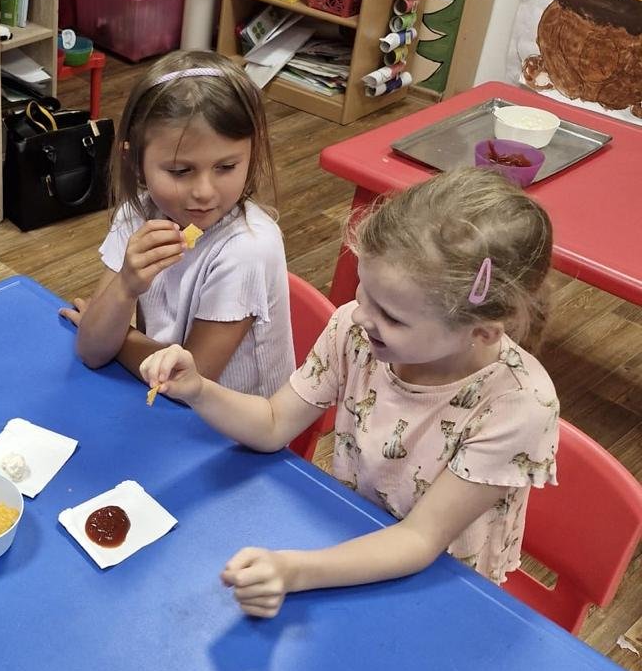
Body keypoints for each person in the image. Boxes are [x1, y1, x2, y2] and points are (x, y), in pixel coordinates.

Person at [139, 168, 559, 615]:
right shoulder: (356, 332)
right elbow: (274, 424)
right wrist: (199, 390)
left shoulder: (518, 406)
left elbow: (419, 539)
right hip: (349, 535)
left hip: (441, 588)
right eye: (364, 290)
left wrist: (294, 572)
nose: (361, 315)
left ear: (483, 332)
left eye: (392, 316)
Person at [61, 49, 294, 396]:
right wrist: (125, 286)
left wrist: (119, 337)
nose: (204, 192)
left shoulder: (249, 247)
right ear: (135, 161)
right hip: (165, 406)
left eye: (226, 167)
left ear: (252, 152)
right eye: (180, 171)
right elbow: (92, 350)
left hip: (231, 425)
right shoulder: (137, 215)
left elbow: (187, 381)